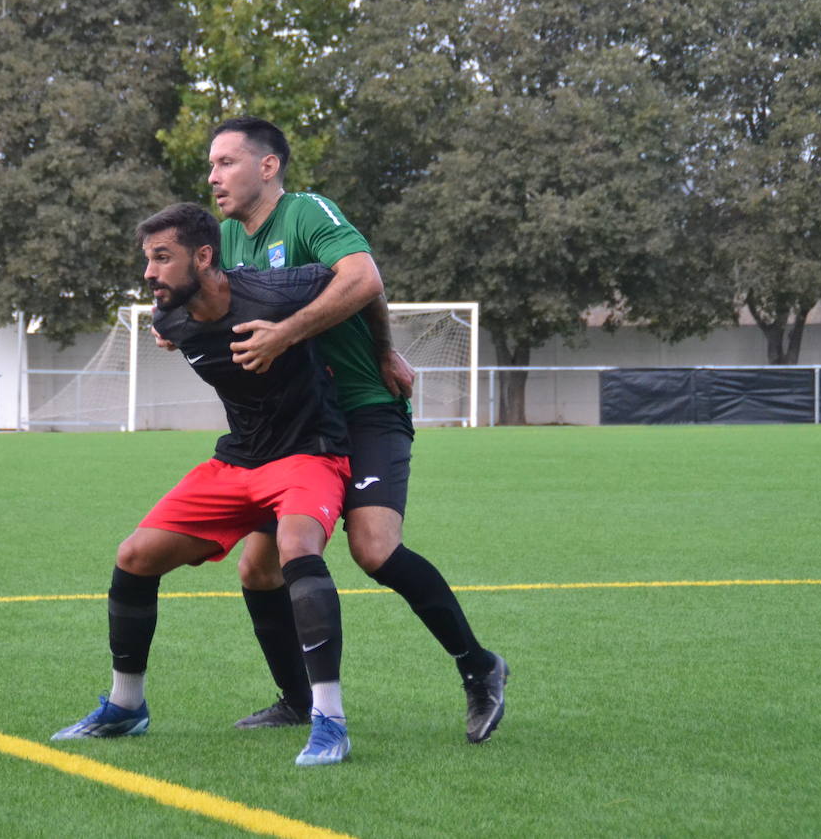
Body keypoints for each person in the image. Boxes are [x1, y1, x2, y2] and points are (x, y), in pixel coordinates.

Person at [206, 116, 508, 743]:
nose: (214, 177)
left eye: (227, 163)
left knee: (373, 548)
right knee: (258, 569)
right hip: (295, 425)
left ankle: (479, 667)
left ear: (268, 167)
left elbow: (365, 278)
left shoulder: (309, 212)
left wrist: (371, 351)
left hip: (364, 407)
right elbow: (203, 300)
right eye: (210, 165)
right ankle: (295, 699)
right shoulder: (227, 240)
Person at [52, 203, 360, 766]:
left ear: (204, 256)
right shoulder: (170, 319)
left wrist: (380, 351)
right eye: (147, 259)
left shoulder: (276, 291)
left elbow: (359, 281)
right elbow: (185, 327)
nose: (149, 272)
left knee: (293, 550)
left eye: (162, 258)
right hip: (237, 462)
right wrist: (174, 319)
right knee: (136, 556)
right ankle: (127, 706)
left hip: (307, 455)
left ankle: (329, 720)